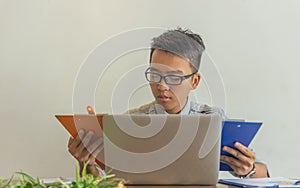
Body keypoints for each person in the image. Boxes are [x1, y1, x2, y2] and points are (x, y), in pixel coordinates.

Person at [68, 28, 269, 178]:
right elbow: (107, 186)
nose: (162, 86)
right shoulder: (131, 120)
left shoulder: (214, 120)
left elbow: (264, 174)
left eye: (173, 78)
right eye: (155, 75)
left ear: (194, 81)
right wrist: (89, 165)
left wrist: (249, 169)